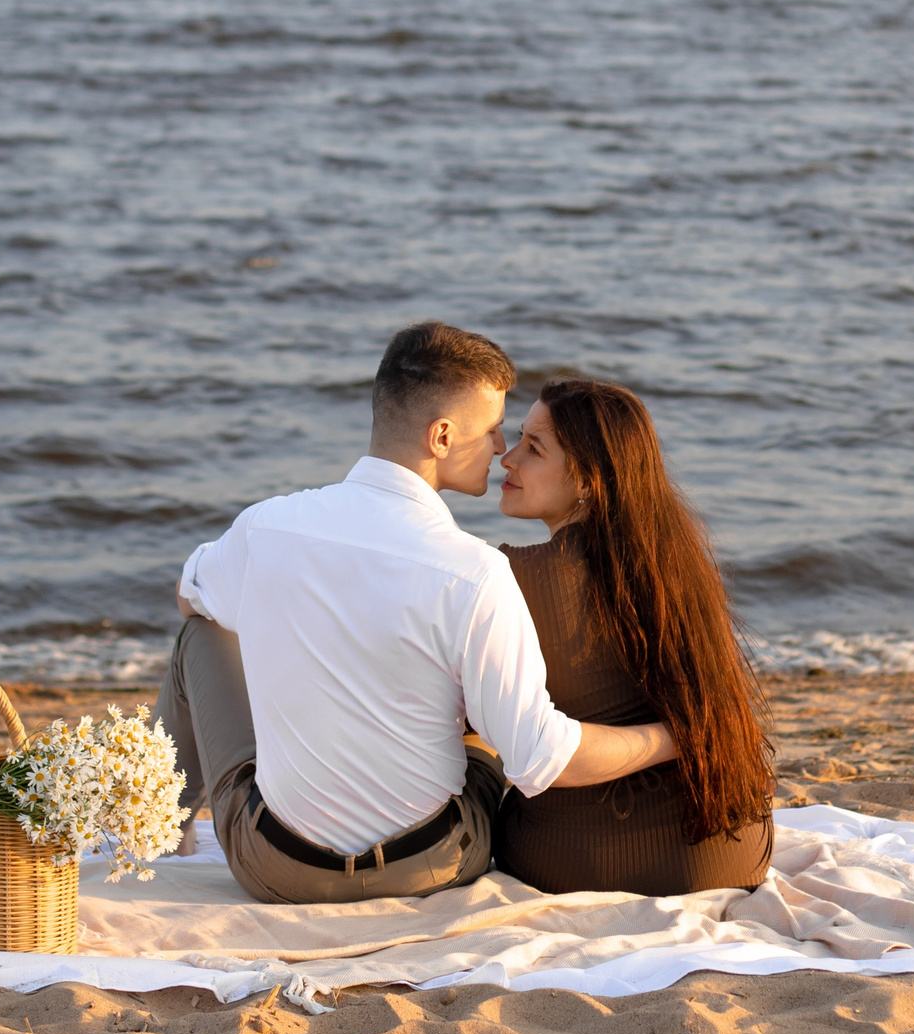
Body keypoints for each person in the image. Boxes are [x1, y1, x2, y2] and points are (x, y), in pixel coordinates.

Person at [157, 323, 681, 905]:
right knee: (476, 711)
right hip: (430, 865)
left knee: (200, 634)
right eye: (491, 430)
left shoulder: (267, 527)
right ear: (442, 437)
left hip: (278, 870)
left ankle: (164, 828)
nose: (502, 448)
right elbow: (539, 759)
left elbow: (189, 591)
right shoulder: (474, 571)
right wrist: (671, 736)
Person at [492, 377, 775, 893]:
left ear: (588, 480)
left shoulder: (510, 575)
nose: (507, 459)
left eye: (533, 448)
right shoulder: (677, 557)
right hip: (730, 853)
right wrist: (686, 734)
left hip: (581, 859)